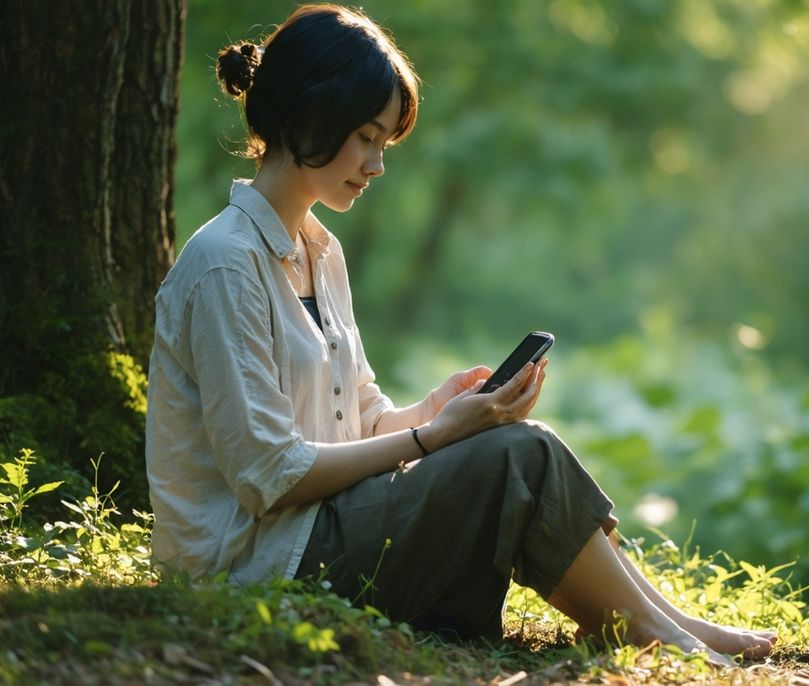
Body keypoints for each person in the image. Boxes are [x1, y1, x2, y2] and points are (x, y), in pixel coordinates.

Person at [145, 3, 775, 664]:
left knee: (520, 443)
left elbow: (359, 423)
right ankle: (648, 626)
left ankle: (660, 619)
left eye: (383, 142)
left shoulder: (319, 252)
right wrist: (434, 437)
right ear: (307, 114)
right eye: (365, 135)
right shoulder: (224, 264)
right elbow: (267, 474)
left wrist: (434, 410)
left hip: (321, 529)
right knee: (517, 454)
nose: (376, 164)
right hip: (260, 566)